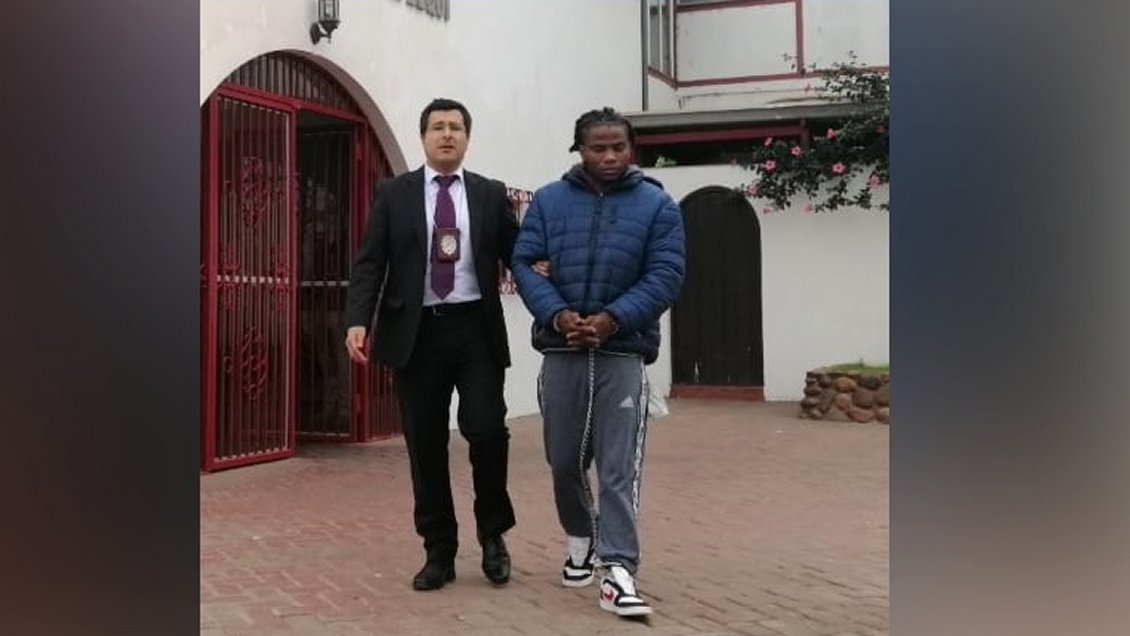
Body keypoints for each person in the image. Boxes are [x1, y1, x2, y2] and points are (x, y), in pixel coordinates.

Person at [511, 107, 686, 617]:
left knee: (617, 467)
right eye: (598, 148)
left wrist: (613, 319)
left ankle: (619, 570)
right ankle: (580, 536)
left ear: (632, 149)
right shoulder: (548, 201)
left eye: (618, 147)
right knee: (564, 461)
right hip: (561, 348)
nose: (609, 157)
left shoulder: (658, 205)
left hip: (622, 352)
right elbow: (525, 262)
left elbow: (666, 274)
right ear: (579, 150)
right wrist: (558, 314)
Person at [344, 98, 519, 591]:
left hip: (476, 330)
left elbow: (520, 254)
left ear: (467, 138)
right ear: (423, 137)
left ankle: (493, 536)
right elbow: (370, 262)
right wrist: (357, 320)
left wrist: (552, 288)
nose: (446, 134)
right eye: (437, 127)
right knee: (425, 444)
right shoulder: (393, 194)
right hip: (417, 333)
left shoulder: (489, 194)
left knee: (487, 432)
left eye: (455, 127)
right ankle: (438, 550)